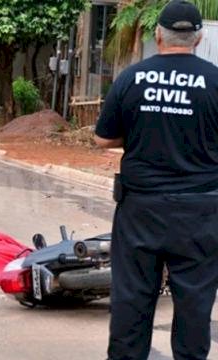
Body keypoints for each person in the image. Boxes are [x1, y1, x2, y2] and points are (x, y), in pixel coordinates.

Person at [95, 1, 218, 359]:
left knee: (132, 299)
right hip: (201, 212)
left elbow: (104, 139)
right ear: (197, 39)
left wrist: (141, 132)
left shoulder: (133, 77)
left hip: (141, 210)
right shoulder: (214, 81)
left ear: (158, 35)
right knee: (195, 302)